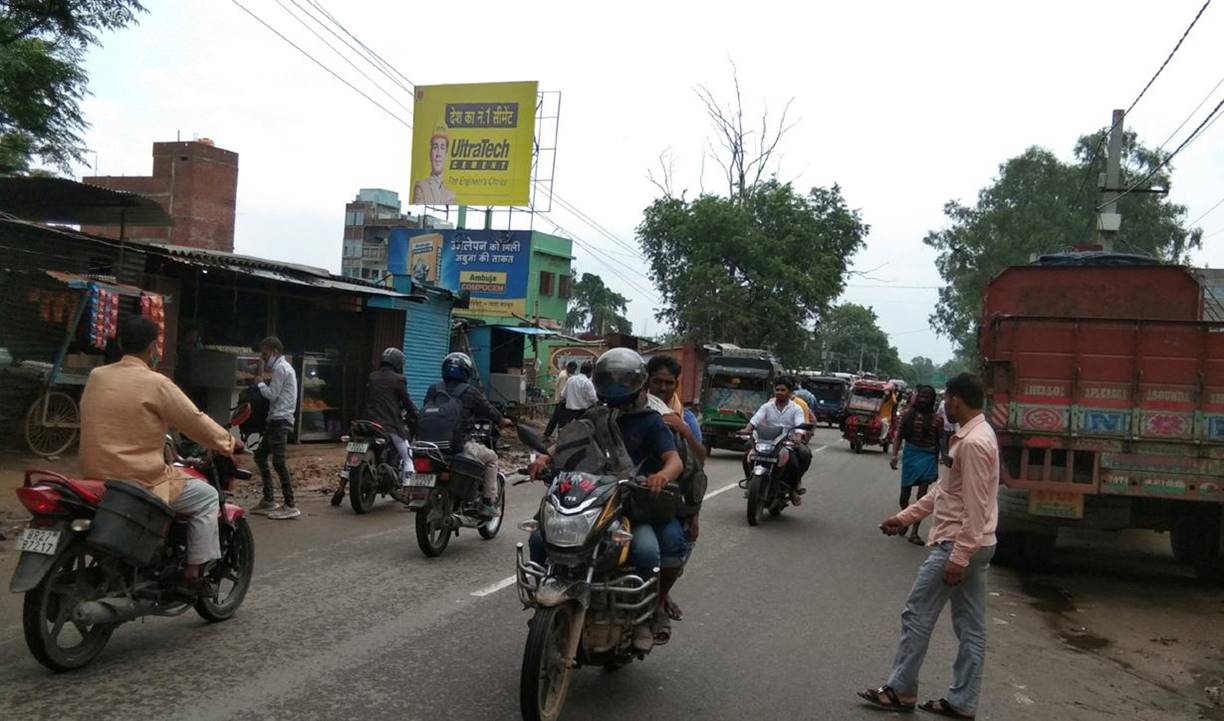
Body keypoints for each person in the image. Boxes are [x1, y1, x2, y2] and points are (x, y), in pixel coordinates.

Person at [859, 373, 1000, 719]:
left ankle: (900, 689)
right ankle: (962, 702)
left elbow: (976, 506)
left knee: (917, 614)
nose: (943, 406)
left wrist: (959, 556)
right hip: (975, 542)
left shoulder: (973, 443)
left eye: (946, 399)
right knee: (970, 627)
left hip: (957, 543)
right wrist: (905, 517)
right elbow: (944, 491)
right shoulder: (974, 435)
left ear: (956, 400)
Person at [529, 348, 686, 650]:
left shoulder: (650, 421)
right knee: (539, 539)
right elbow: (565, 445)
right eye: (610, 379)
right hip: (590, 501)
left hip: (630, 505)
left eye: (623, 380)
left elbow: (674, 460)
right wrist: (544, 459)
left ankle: (644, 617)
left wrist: (661, 476)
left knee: (647, 552)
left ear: (637, 382)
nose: (616, 386)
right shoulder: (593, 416)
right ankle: (542, 604)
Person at [79, 316, 238, 591]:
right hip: (141, 479)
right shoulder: (156, 383)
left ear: (120, 343)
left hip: (93, 476)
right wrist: (228, 442)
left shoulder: (97, 376)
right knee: (207, 496)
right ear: (153, 347)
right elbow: (194, 421)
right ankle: (193, 573)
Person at [423, 352, 514, 517]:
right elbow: (489, 411)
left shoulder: (433, 389)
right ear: (466, 371)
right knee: (491, 458)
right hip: (457, 445)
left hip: (428, 445)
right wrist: (502, 421)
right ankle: (487, 503)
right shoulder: (470, 392)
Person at [740, 377, 810, 504]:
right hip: (766, 441)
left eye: (783, 390)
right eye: (777, 389)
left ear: (789, 392)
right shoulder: (767, 406)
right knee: (747, 453)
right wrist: (746, 429)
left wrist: (798, 436)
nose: (779, 392)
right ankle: (750, 481)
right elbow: (755, 420)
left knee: (802, 456)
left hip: (787, 443)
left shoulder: (796, 408)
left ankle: (793, 488)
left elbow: (800, 425)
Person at [253, 336, 300, 520]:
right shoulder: (284, 367)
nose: (263, 358)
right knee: (260, 456)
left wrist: (259, 383)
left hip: (280, 420)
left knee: (278, 462)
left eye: (265, 354)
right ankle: (268, 499)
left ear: (275, 352)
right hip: (276, 419)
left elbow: (272, 395)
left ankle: (290, 504)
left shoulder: (281, 368)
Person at [889, 384, 943, 544]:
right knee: (903, 498)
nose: (924, 399)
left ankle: (914, 533)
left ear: (932, 400)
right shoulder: (907, 415)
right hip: (911, 455)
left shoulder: (937, 420)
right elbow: (899, 436)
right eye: (922, 396)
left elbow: (940, 443)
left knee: (922, 497)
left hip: (928, 457)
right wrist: (894, 456)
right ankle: (905, 519)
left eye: (928, 397)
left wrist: (939, 461)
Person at [364, 348, 419, 480]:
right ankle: (407, 486)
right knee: (408, 456)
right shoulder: (399, 379)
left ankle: (342, 485)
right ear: (398, 364)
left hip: (368, 423)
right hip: (389, 424)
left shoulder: (372, 377)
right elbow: (406, 401)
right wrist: (416, 414)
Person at [544, 361, 597, 439]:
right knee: (580, 434)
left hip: (568, 413)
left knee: (564, 432)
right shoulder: (587, 383)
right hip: (582, 413)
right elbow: (594, 399)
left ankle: (555, 440)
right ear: (590, 372)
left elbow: (563, 395)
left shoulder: (571, 379)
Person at [411, 126, 458, 205]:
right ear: (430, 153)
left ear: (446, 155)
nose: (438, 154)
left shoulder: (451, 195)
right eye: (435, 147)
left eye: (442, 148)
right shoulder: (421, 187)